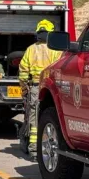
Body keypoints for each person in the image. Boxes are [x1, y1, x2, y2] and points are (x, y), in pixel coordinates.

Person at [19, 19, 63, 160]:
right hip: (50, 91)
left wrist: (24, 89)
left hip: (35, 88)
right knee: (49, 119)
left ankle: (33, 151)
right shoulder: (57, 50)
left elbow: (23, 71)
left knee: (33, 120)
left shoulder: (31, 49)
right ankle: (48, 147)